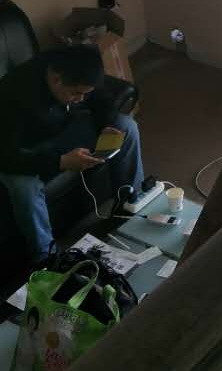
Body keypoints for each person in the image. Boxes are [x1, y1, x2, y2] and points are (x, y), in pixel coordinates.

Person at [0, 44, 143, 267]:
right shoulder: (14, 94)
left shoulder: (78, 68)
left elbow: (100, 99)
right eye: (76, 93)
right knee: (24, 189)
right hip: (23, 149)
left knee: (127, 127)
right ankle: (46, 258)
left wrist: (107, 125)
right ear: (56, 79)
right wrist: (61, 161)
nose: (81, 99)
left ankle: (130, 204)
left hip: (59, 130)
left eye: (86, 93)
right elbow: (6, 157)